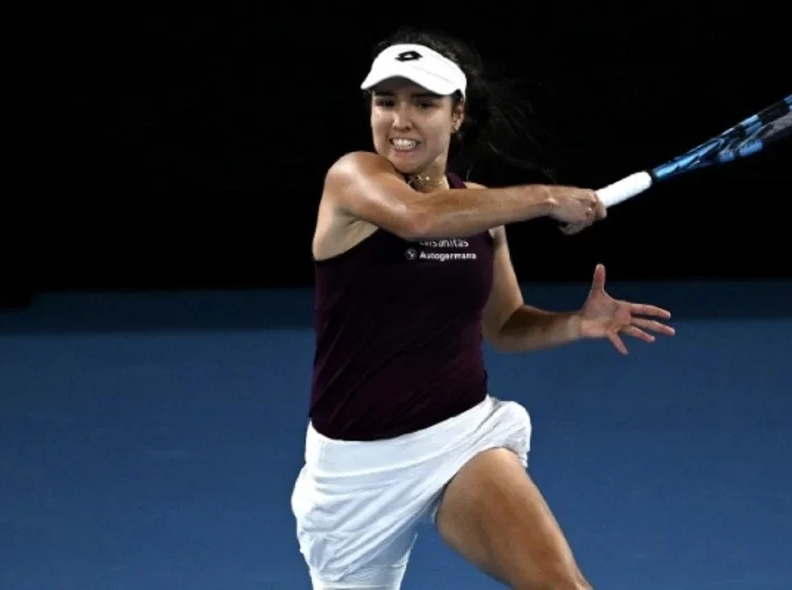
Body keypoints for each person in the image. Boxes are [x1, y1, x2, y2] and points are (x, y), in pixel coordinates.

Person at [290, 27, 676, 590]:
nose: (400, 120)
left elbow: (506, 325)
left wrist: (577, 323)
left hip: (458, 437)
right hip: (354, 472)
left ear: (457, 115)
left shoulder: (481, 209)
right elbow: (418, 218)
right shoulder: (352, 178)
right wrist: (547, 197)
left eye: (424, 104)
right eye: (386, 102)